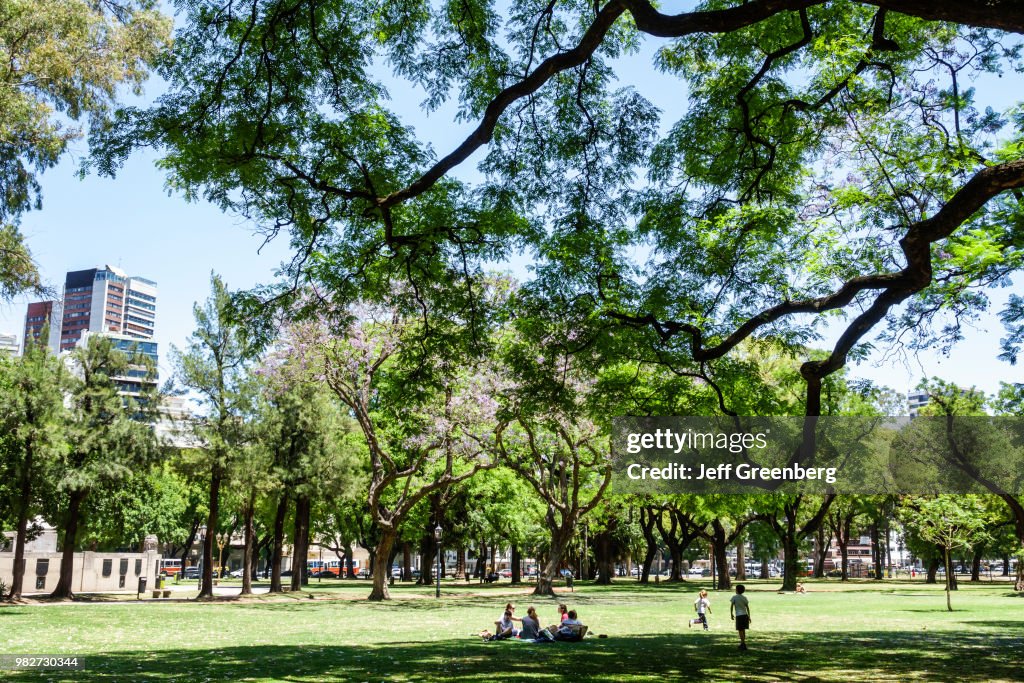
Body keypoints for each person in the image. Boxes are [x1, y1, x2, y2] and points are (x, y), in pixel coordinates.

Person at [730, 584, 751, 651]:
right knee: (743, 630)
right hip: (745, 615)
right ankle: (742, 643)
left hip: (739, 615)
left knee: (740, 630)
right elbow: (747, 607)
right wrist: (749, 616)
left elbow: (731, 606)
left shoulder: (734, 597)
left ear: (737, 590)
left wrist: (731, 614)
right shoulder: (744, 598)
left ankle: (743, 644)